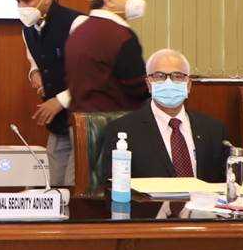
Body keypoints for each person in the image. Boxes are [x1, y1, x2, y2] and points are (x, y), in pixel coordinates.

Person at [95, 49, 229, 185]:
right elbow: (112, 186)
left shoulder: (214, 130)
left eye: (177, 76)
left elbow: (225, 184)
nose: (169, 82)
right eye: (159, 76)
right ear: (149, 84)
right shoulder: (122, 130)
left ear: (188, 85)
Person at [14, 0, 86, 186]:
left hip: (84, 119)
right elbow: (34, 59)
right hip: (58, 122)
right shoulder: (28, 30)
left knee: (76, 186)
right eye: (18, 2)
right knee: (55, 186)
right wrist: (35, 72)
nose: (22, 7)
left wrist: (60, 101)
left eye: (27, 1)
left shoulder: (77, 23)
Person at [65, 0, 150, 113]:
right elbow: (136, 86)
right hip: (114, 120)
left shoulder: (78, 32)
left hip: (82, 118)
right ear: (108, 0)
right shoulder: (122, 35)